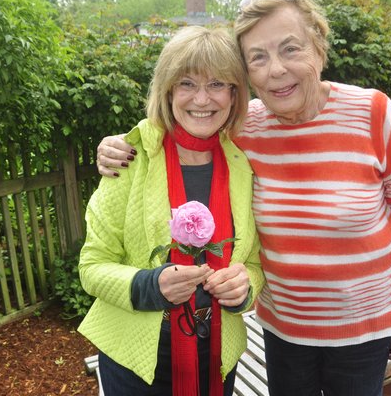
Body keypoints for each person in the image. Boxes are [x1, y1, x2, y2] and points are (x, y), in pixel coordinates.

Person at [95, 0, 391, 395]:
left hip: (364, 329)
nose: (276, 70)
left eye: (290, 48)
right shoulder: (244, 129)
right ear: (247, 74)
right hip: (285, 329)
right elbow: (179, 122)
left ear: (318, 47)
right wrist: (119, 144)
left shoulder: (372, 112)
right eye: (258, 57)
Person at [77, 25, 265, 396]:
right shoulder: (130, 159)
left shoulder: (242, 166)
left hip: (217, 356)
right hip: (137, 363)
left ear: (233, 94)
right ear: (167, 90)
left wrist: (244, 288)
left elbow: (255, 264)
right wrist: (150, 285)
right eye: (187, 83)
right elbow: (92, 266)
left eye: (216, 84)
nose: (202, 99)